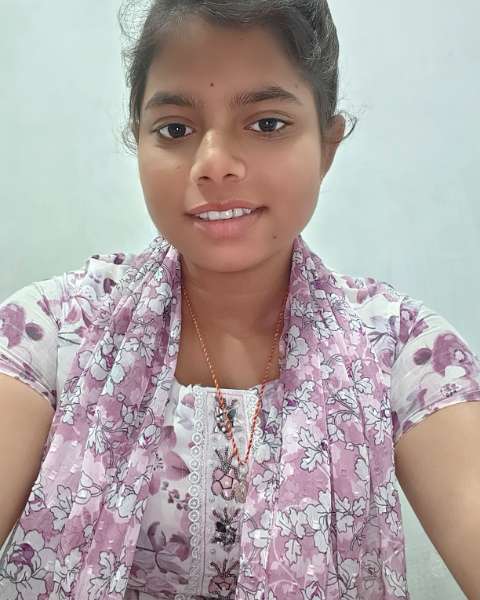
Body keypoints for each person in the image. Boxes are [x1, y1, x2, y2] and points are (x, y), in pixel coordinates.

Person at [1, 1, 480, 599]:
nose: (214, 165)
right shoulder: (55, 329)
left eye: (267, 123)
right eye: (175, 129)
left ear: (328, 146)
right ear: (139, 139)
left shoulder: (402, 350)